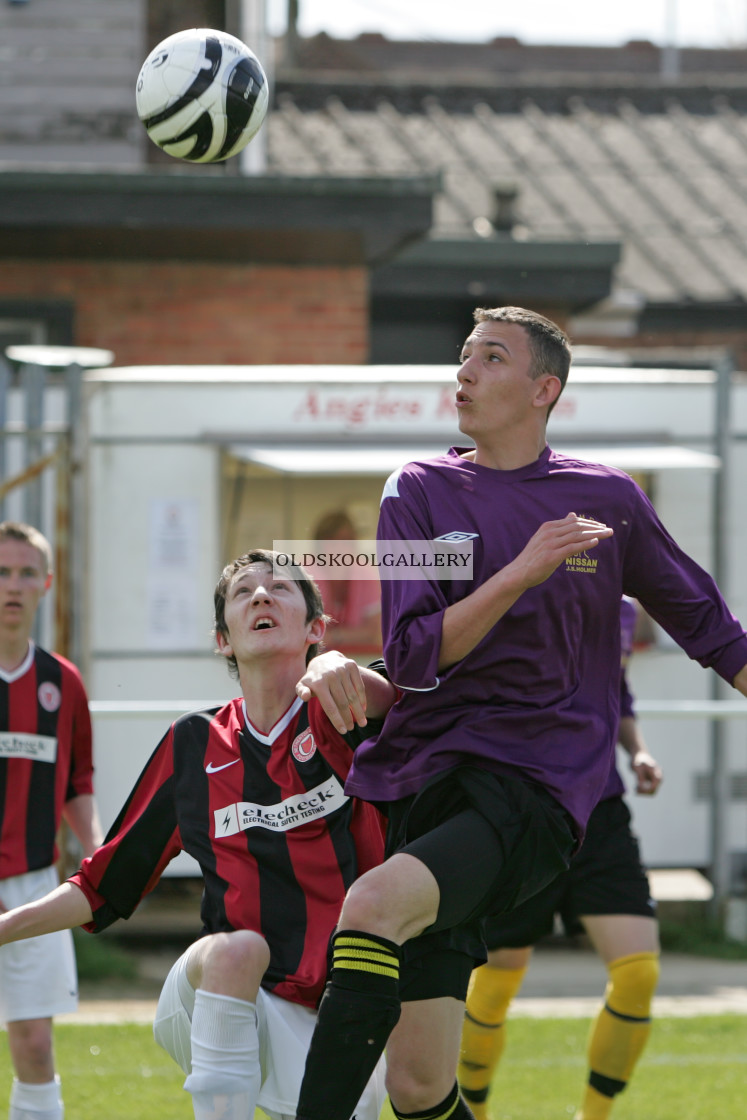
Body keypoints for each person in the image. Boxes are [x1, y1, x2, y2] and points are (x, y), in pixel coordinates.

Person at [293, 306, 747, 1120]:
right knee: (419, 1086)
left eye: (490, 359)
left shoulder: (604, 500)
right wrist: (518, 573)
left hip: (536, 787)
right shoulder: (416, 489)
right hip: (420, 785)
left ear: (544, 389)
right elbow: (414, 654)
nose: (463, 372)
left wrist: (532, 565)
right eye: (461, 357)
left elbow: (714, 632)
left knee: (369, 907)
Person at [0, 548, 397, 1120]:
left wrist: (347, 667)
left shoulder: (348, 716)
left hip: (338, 1010)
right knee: (240, 948)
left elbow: (419, 693)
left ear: (314, 627)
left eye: (280, 588)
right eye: (243, 592)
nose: (261, 595)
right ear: (223, 641)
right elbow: (99, 886)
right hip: (218, 995)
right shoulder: (193, 743)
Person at [458, 596, 663, 1120]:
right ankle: (474, 1113)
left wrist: (636, 748)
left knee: (639, 972)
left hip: (601, 810)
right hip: (523, 808)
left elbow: (615, 693)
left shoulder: (621, 607)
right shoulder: (508, 590)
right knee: (499, 973)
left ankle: (592, 1116)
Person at [0, 520, 103, 1120]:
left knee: (35, 1047)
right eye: (2, 572)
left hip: (34, 887)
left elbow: (77, 782)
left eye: (24, 573)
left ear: (46, 583)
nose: (12, 586)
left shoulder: (62, 683)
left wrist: (95, 849)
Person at [311, 509, 382, 658]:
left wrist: (333, 636)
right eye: (332, 542)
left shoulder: (366, 574)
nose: (339, 548)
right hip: (312, 658)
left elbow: (373, 632)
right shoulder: (304, 576)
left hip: (359, 658)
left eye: (345, 541)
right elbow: (300, 630)